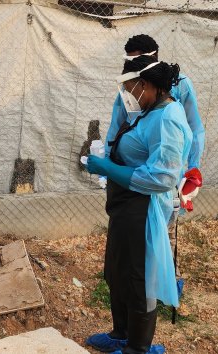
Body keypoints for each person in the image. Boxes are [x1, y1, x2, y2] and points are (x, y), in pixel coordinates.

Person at [85, 56, 192, 353]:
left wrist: (107, 169)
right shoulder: (149, 110)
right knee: (117, 272)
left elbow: (162, 176)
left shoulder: (168, 117)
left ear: (146, 85)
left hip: (142, 210)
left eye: (131, 88)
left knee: (138, 279)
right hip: (124, 207)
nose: (128, 96)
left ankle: (138, 348)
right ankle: (120, 335)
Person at [106, 34, 205, 291]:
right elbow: (118, 123)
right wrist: (110, 160)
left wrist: (191, 170)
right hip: (136, 173)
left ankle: (159, 284)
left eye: (140, 60)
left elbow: (194, 130)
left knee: (161, 232)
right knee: (143, 241)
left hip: (162, 172)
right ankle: (148, 285)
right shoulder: (132, 88)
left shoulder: (176, 94)